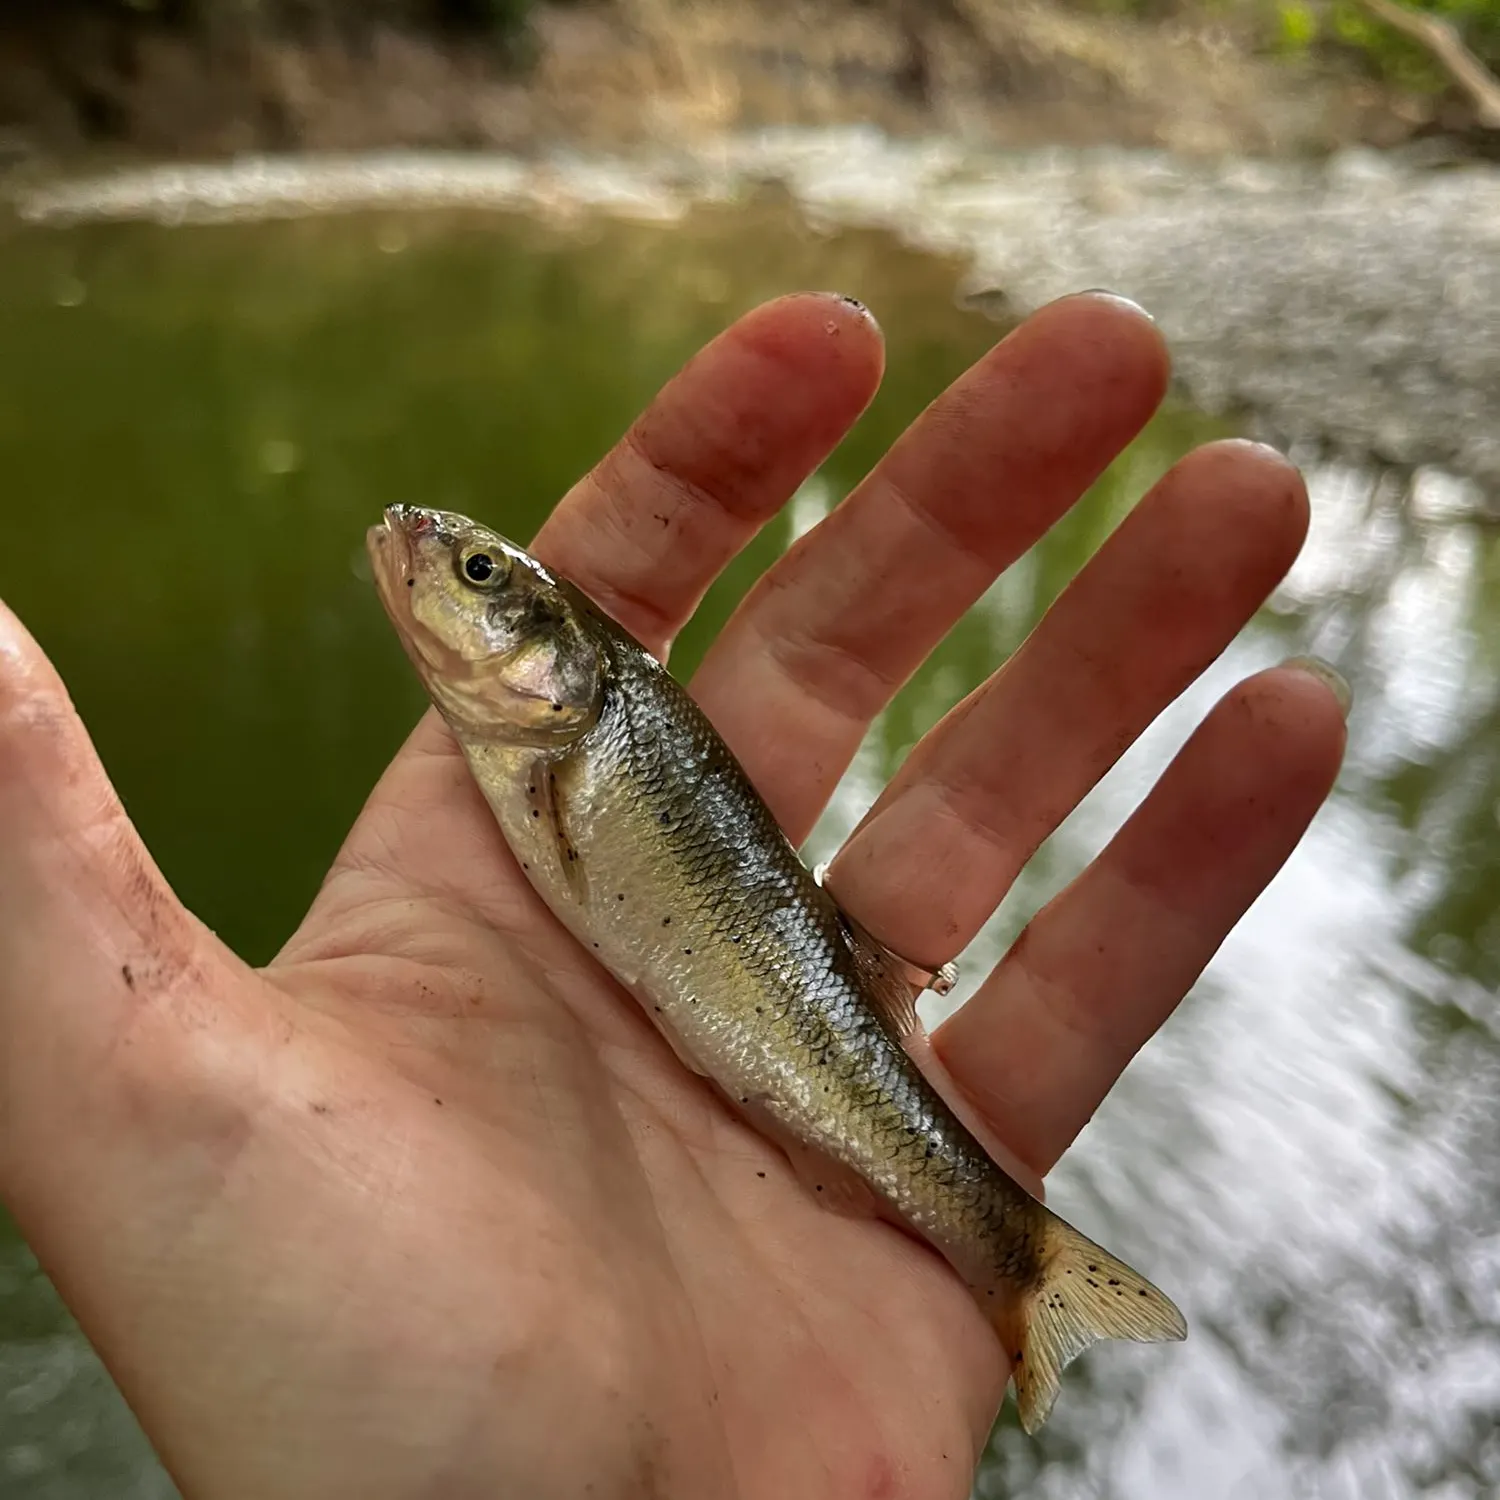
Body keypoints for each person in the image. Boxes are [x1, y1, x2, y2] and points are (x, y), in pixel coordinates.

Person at [0, 290, 1347, 1498]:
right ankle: (1014, 1257)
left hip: (786, 1019)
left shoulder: (570, 738)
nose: (430, 553)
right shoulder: (542, 737)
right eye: (482, 572)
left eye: (483, 580)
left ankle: (1020, 1258)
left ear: (562, 669)